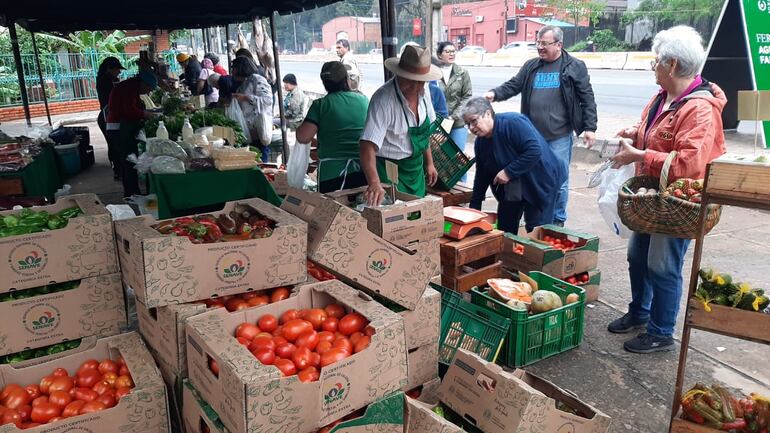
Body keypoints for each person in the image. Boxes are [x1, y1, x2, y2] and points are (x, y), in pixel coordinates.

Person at [606, 25, 726, 354]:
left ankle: (661, 331)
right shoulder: (663, 96)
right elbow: (655, 132)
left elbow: (688, 162)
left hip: (679, 201)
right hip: (654, 198)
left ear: (671, 64)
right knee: (637, 257)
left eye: (655, 61)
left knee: (663, 264)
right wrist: (634, 133)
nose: (653, 68)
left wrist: (642, 155)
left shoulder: (699, 109)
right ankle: (641, 312)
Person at [484, 25, 597, 227]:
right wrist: (495, 94)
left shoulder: (573, 66)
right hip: (532, 137)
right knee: (533, 177)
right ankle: (537, 219)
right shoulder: (531, 66)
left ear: (559, 44)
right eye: (538, 43)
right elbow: (514, 84)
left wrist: (590, 128)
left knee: (558, 180)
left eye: (544, 44)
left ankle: (557, 220)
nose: (540, 48)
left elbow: (586, 97)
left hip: (559, 136)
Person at [463, 97, 566, 234]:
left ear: (488, 113)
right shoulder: (480, 143)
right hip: (513, 185)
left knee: (536, 227)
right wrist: (474, 207)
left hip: (540, 178)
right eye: (467, 124)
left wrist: (508, 172)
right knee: (505, 227)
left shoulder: (513, 123)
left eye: (474, 121)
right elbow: (482, 175)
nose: (471, 128)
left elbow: (534, 150)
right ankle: (507, 252)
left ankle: (537, 251)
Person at [359, 45, 440, 205]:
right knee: (395, 217)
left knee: (417, 215)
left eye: (420, 82)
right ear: (398, 74)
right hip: (390, 170)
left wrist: (429, 163)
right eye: (410, 81)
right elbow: (366, 146)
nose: (415, 88)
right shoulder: (383, 100)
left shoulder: (425, 93)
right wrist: (374, 182)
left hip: (415, 169)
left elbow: (424, 134)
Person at [296, 61, 369, 193]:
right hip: (364, 170)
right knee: (360, 209)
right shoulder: (363, 100)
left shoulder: (321, 105)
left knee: (333, 211)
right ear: (346, 79)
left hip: (332, 174)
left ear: (324, 83)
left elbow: (303, 137)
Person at [106, 70, 158, 197]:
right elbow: (129, 110)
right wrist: (145, 114)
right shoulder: (128, 88)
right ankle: (132, 193)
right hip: (118, 129)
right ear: (144, 84)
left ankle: (132, 192)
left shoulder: (131, 86)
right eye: (149, 88)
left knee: (129, 160)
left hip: (122, 127)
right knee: (128, 161)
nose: (148, 92)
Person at [231, 56, 274, 163]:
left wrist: (245, 98)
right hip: (249, 132)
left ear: (240, 68)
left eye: (234, 68)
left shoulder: (257, 80)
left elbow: (267, 100)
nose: (232, 72)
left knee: (261, 161)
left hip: (259, 130)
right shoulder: (243, 84)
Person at [436, 41, 473, 157]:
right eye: (447, 51)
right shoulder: (433, 73)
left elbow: (467, 97)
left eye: (453, 51)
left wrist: (453, 116)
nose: (451, 54)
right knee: (439, 158)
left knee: (458, 159)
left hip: (457, 123)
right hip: (437, 124)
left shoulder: (462, 73)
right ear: (439, 55)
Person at [96, 56, 125, 180]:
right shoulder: (105, 81)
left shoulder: (111, 79)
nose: (119, 71)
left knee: (116, 145)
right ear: (109, 69)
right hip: (108, 118)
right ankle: (117, 171)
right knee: (114, 145)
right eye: (117, 69)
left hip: (112, 117)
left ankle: (120, 170)